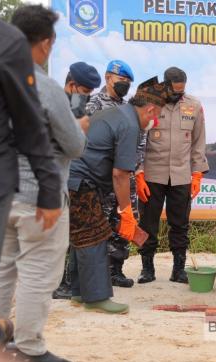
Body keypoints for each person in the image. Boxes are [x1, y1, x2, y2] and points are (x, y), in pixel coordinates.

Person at [0, 5, 87, 362]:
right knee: (37, 276)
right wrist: (79, 128)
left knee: (0, 271)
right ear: (45, 44)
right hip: (38, 200)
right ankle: (28, 346)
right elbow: (74, 146)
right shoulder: (44, 87)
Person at [0, 10, 61, 350]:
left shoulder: (2, 48)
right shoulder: (45, 84)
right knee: (25, 273)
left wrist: (49, 187)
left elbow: (26, 126)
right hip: (12, 191)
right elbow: (68, 141)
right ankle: (12, 338)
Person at [67, 77, 169, 314]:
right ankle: (96, 298)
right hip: (83, 181)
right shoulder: (130, 124)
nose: (153, 122)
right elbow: (121, 175)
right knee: (95, 236)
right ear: (151, 108)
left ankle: (79, 292)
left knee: (84, 234)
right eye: (156, 116)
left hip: (73, 178)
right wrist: (127, 212)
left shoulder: (117, 113)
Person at [136, 67, 209, 284]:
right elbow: (138, 141)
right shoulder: (149, 103)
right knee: (148, 223)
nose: (178, 94)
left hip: (181, 176)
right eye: (174, 91)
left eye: (181, 90)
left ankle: (179, 269)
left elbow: (198, 142)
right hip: (152, 175)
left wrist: (197, 174)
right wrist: (138, 172)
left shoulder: (193, 106)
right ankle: (147, 268)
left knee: (180, 224)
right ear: (165, 85)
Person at [86, 60, 138, 288]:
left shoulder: (128, 108)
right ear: (108, 78)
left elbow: (138, 140)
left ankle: (115, 269)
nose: (124, 85)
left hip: (124, 175)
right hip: (100, 177)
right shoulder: (93, 103)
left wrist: (140, 167)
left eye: (128, 82)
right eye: (121, 80)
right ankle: (92, 274)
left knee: (122, 223)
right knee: (97, 225)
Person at [53, 62, 102, 300]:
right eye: (84, 93)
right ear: (72, 85)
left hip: (68, 182)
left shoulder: (76, 109)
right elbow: (73, 148)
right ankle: (57, 284)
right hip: (49, 185)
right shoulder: (56, 105)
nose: (85, 98)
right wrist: (77, 130)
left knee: (69, 234)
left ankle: (66, 284)